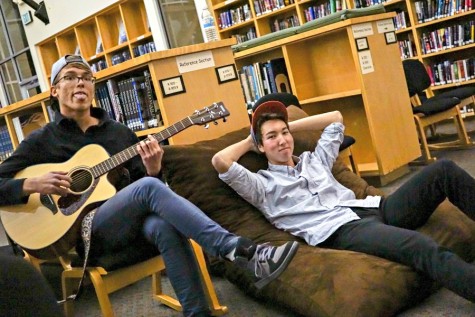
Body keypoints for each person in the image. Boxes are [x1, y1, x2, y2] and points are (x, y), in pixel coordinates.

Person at [0, 55, 299, 317]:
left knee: (162, 223)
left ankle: (199, 312)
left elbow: (152, 193)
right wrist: (30, 183)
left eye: (86, 77)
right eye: (70, 77)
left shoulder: (118, 134)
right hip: (89, 237)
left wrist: (154, 169)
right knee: (147, 189)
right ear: (54, 90)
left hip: (130, 228)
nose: (80, 83)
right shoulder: (42, 140)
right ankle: (238, 250)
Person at [211, 96, 475, 303]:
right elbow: (220, 161)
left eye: (284, 133)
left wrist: (286, 125)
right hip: (343, 230)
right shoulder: (262, 185)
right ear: (260, 146)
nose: (282, 141)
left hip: (372, 208)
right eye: (271, 137)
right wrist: (251, 138)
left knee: (443, 171)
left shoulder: (314, 161)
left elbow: (335, 119)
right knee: (420, 245)